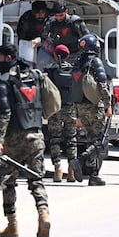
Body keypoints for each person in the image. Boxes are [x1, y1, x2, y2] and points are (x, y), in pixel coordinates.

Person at [0, 44, 50, 237]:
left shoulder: (3, 83)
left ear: (8, 58)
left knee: (8, 181)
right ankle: (44, 214)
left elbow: (5, 113)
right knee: (36, 179)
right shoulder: (35, 76)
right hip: (36, 136)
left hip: (13, 140)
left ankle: (12, 224)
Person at [69, 34, 113, 186]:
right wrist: (108, 104)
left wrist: (76, 113)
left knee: (91, 140)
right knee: (100, 141)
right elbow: (102, 84)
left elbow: (73, 87)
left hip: (80, 107)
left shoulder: (77, 63)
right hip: (94, 106)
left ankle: (93, 174)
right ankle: (81, 161)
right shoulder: (95, 61)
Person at [44, 44, 78, 182]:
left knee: (55, 138)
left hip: (55, 108)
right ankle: (71, 170)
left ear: (55, 55)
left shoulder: (51, 70)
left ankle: (57, 167)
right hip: (70, 108)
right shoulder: (74, 70)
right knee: (71, 139)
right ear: (68, 56)